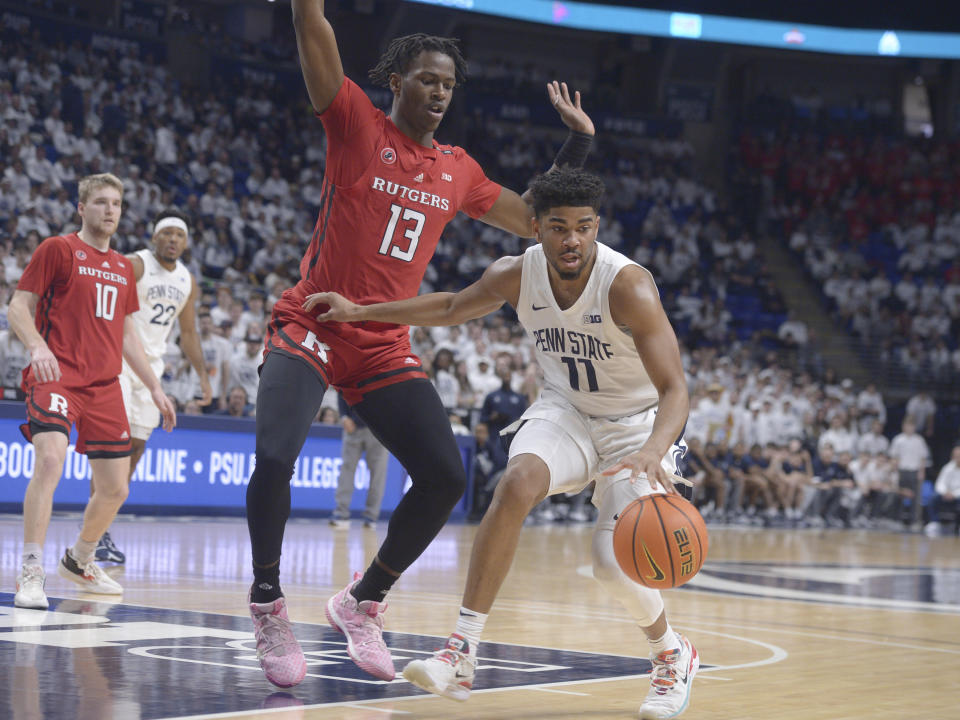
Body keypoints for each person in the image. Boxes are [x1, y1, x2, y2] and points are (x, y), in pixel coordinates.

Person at [244, 0, 595, 689]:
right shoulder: (353, 123)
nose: (438, 92)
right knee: (275, 455)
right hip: (313, 321)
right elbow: (311, 27)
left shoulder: (458, 168)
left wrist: (575, 146)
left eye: (448, 84)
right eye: (426, 79)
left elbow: (531, 220)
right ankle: (267, 604)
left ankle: (361, 600)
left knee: (445, 476)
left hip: (379, 341)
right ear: (396, 80)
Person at [307, 168, 699, 719]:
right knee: (515, 483)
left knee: (612, 566)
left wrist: (655, 449)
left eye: (584, 228)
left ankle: (670, 654)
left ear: (596, 228)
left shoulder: (627, 284)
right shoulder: (516, 274)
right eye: (559, 227)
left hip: (636, 427)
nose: (572, 240)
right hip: (566, 411)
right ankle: (462, 651)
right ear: (535, 227)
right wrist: (361, 311)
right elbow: (447, 308)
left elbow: (675, 388)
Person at [10, 173, 176, 610]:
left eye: (116, 204)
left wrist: (155, 388)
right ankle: (30, 570)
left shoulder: (123, 267)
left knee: (116, 489)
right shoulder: (58, 249)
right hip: (58, 376)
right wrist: (37, 345)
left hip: (105, 386)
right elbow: (17, 306)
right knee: (49, 460)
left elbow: (126, 336)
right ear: (81, 208)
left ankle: (80, 559)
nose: (110, 210)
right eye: (100, 202)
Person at [93, 208, 212, 564]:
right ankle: (95, 534)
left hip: (151, 374)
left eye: (180, 234)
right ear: (154, 237)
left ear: (186, 242)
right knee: (111, 452)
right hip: (118, 365)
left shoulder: (187, 281)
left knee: (133, 453)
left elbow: (188, 334)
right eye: (167, 233)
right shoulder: (136, 264)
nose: (173, 239)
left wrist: (204, 376)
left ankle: (102, 524)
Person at [329, 392, 389, 529]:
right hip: (352, 427)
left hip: (378, 429)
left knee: (377, 474)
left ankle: (371, 516)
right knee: (346, 470)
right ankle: (341, 512)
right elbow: (341, 389)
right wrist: (344, 416)